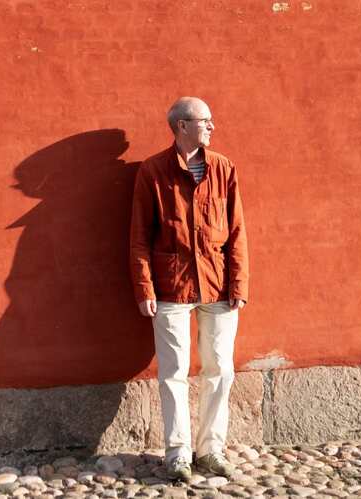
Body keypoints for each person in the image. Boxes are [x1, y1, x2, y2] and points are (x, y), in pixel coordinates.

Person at [130, 96, 249, 481]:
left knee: (220, 369)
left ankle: (211, 449)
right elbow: (139, 237)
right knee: (173, 372)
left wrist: (238, 282)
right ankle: (178, 453)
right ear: (181, 126)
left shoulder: (223, 168)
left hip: (218, 285)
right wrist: (145, 287)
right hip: (171, 286)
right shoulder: (152, 171)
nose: (212, 126)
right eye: (204, 120)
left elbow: (236, 231)